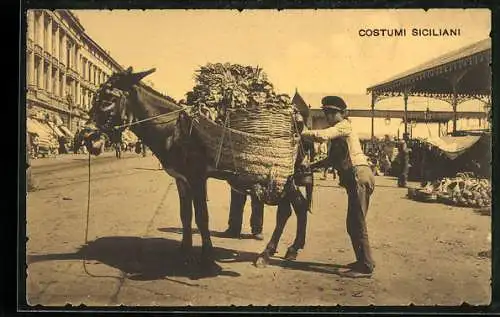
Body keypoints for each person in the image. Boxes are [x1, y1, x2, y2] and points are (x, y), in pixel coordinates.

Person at [302, 95, 375, 278]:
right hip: (355, 179)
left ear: (343, 113)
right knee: (352, 224)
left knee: (357, 223)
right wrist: (310, 166)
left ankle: (366, 267)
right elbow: (330, 159)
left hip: (359, 176)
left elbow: (321, 135)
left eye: (333, 112)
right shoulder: (338, 135)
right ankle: (363, 260)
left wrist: (302, 131)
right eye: (327, 112)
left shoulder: (344, 126)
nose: (329, 116)